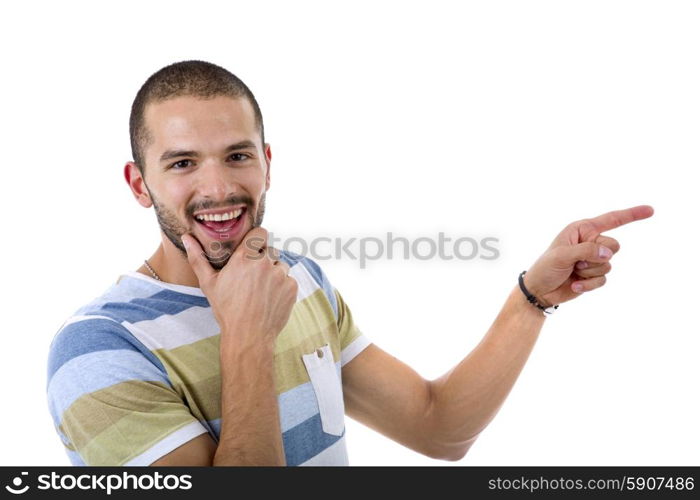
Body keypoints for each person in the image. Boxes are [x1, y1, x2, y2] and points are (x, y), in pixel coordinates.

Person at [46, 60, 654, 466]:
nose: (218, 188)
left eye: (237, 155)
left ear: (267, 162)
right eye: (182, 164)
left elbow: (439, 428)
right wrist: (248, 337)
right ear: (139, 183)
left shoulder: (300, 283)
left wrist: (532, 298)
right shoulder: (97, 351)